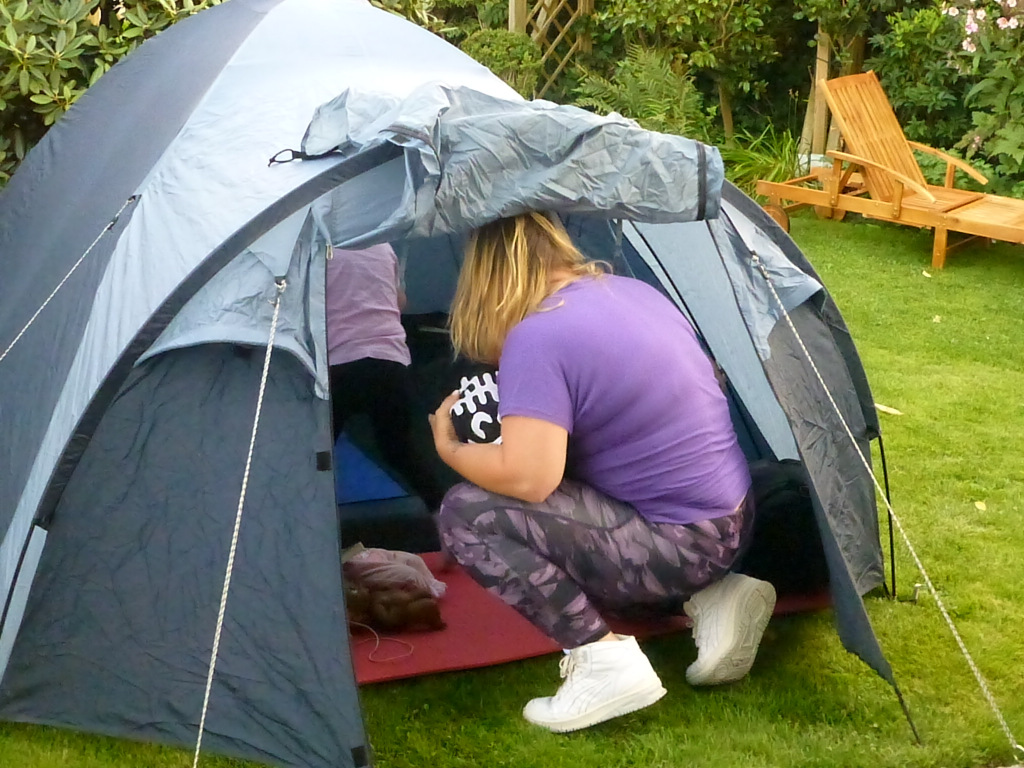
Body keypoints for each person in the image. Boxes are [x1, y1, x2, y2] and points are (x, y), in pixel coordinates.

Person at [428, 212, 776, 734]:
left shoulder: (537, 334)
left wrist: (450, 447)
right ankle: (716, 594)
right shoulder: (633, 292)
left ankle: (603, 663)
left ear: (487, 275)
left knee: (466, 514)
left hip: (678, 547)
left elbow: (529, 480)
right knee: (578, 515)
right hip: (734, 523)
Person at [327, 242, 444, 512]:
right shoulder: (383, 248)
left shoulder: (320, 250)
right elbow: (400, 302)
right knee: (400, 450)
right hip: (389, 362)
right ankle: (443, 515)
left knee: (318, 456)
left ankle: (305, 524)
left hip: (341, 363)